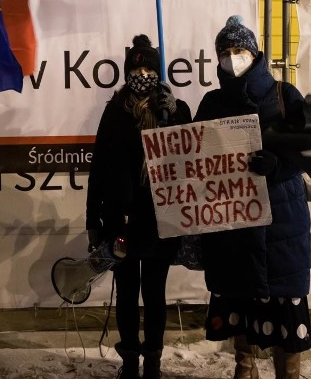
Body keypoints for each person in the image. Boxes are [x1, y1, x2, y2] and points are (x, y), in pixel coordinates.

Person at [193, 15, 311, 379]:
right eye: (225, 51)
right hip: (232, 223)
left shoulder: (284, 94)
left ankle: (287, 374)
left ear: (255, 52)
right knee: (238, 302)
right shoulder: (212, 102)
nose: (233, 56)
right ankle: (244, 369)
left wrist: (278, 164)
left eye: (240, 48)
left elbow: (309, 147)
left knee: (285, 315)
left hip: (281, 223)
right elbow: (193, 157)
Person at [86, 34, 192, 379]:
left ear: (158, 71)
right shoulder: (115, 111)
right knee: (128, 294)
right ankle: (130, 361)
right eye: (137, 66)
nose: (142, 73)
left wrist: (173, 116)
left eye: (149, 67)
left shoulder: (173, 108)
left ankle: (154, 362)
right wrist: (93, 219)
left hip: (161, 218)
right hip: (120, 220)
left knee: (155, 294)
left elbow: (191, 158)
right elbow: (98, 167)